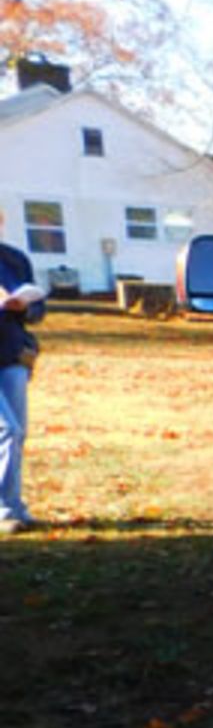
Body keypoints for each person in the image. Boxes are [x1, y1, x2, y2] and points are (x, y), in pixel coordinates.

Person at [0, 206, 48, 533]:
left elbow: (39, 308)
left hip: (12, 355)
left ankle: (15, 505)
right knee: (7, 429)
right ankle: (4, 509)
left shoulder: (14, 260)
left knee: (18, 434)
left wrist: (25, 305)